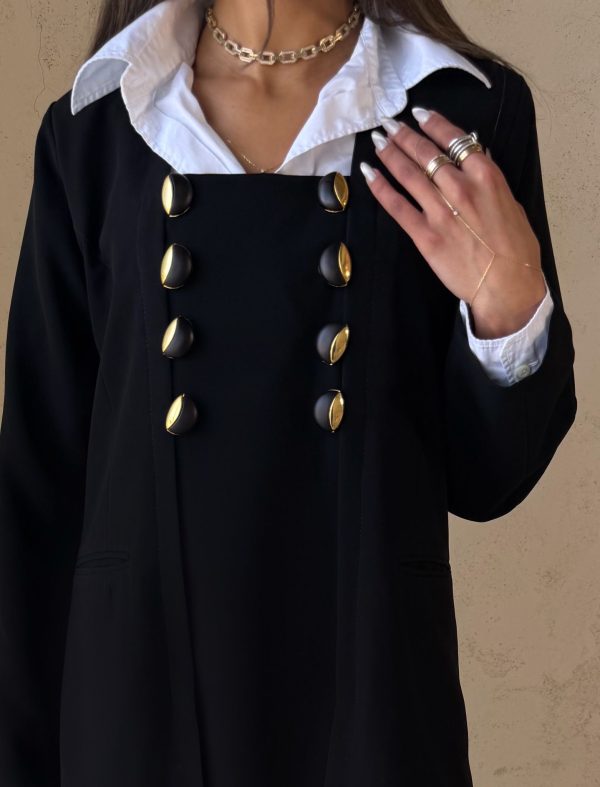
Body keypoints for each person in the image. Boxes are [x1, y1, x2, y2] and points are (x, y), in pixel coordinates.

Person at [0, 0, 577, 785]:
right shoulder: (95, 126)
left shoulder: (462, 112)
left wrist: (508, 306)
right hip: (134, 708)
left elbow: (488, 480)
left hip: (375, 703)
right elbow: (37, 494)